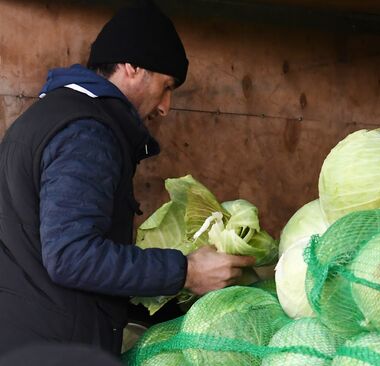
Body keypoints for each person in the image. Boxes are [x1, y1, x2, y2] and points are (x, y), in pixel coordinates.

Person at [0, 0, 255, 356]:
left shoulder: (47, 117)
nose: (165, 106)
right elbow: (73, 256)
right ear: (132, 67)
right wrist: (187, 272)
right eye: (166, 86)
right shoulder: (86, 132)